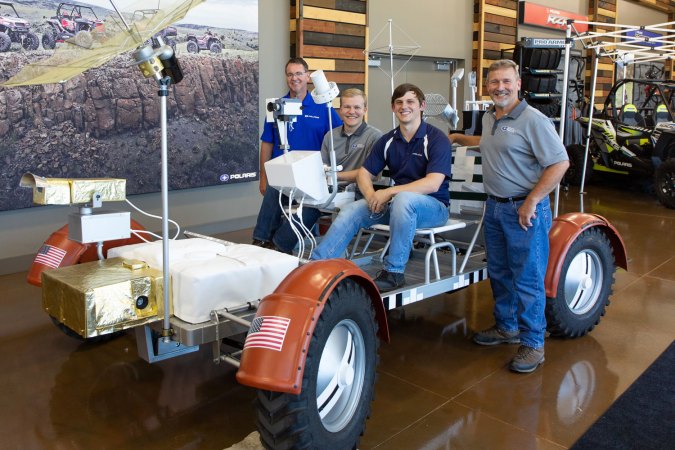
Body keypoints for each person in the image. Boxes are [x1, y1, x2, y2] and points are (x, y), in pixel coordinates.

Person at [471, 59, 569, 373]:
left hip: (523, 211)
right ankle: (507, 327)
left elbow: (559, 163)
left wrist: (532, 200)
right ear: (487, 86)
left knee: (527, 279)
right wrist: (459, 139)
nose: (500, 87)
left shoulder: (533, 120)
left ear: (518, 85)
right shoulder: (490, 117)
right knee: (499, 272)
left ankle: (533, 344)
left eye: (506, 82)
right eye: (494, 82)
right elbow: (492, 144)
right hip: (495, 208)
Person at [311, 83, 452, 292]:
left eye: (410, 102)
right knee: (353, 209)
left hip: (434, 208)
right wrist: (370, 196)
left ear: (422, 106)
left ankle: (394, 272)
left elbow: (433, 183)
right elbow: (363, 174)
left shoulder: (437, 138)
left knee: (404, 199)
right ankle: (316, 265)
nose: (405, 106)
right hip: (397, 206)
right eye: (399, 102)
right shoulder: (388, 140)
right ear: (393, 108)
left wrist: (388, 192)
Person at [271, 88, 383, 254]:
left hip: (359, 192)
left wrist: (336, 176)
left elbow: (373, 174)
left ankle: (321, 257)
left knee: (318, 203)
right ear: (340, 109)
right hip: (329, 190)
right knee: (305, 203)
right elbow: (320, 168)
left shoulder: (374, 137)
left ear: (365, 110)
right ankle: (279, 249)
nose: (351, 112)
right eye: (347, 107)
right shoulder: (330, 136)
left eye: (357, 107)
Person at [252, 57, 342, 249]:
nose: (295, 78)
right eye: (290, 74)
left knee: (306, 207)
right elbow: (267, 143)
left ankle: (278, 246)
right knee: (274, 189)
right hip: (282, 174)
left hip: (311, 175)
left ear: (308, 76)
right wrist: (263, 177)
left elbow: (339, 138)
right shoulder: (276, 106)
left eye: (299, 73)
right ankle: (260, 241)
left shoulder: (322, 106)